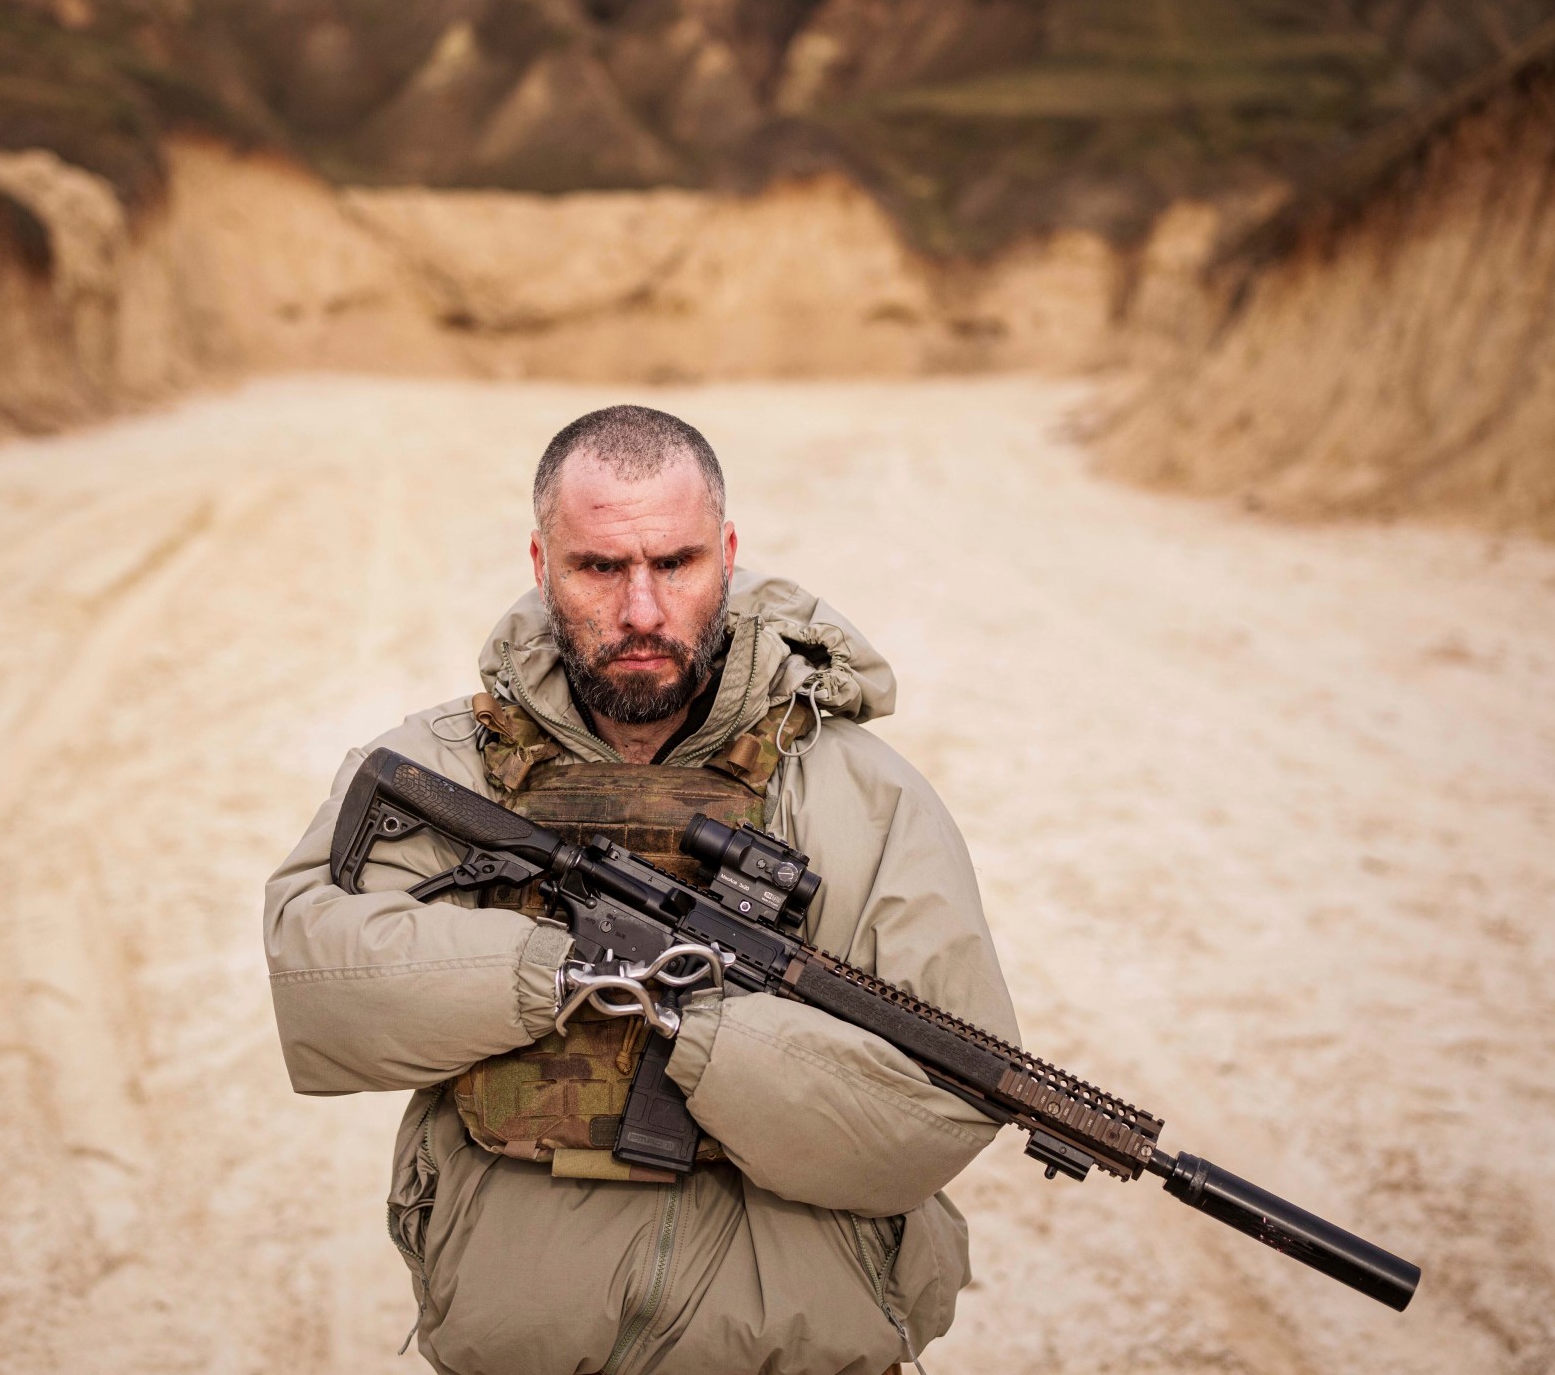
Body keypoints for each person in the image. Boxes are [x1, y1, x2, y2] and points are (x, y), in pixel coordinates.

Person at [264, 406, 1020, 1375]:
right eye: (598, 568)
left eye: (675, 563)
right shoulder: (449, 769)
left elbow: (952, 1096)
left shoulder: (862, 796)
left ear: (729, 553)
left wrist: (693, 1025)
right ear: (539, 564)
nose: (642, 613)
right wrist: (565, 965)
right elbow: (315, 974)